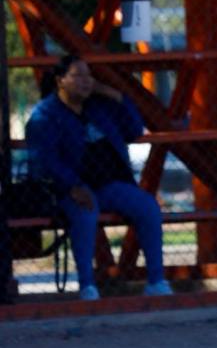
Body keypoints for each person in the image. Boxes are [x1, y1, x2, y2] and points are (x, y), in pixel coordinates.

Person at [25, 54, 173, 301]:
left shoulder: (98, 107)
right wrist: (72, 186)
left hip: (108, 185)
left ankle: (156, 282)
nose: (86, 81)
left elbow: (134, 129)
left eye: (89, 76)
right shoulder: (45, 115)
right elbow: (46, 160)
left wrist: (113, 94)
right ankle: (87, 286)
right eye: (78, 75)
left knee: (147, 206)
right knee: (86, 212)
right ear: (60, 81)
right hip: (68, 189)